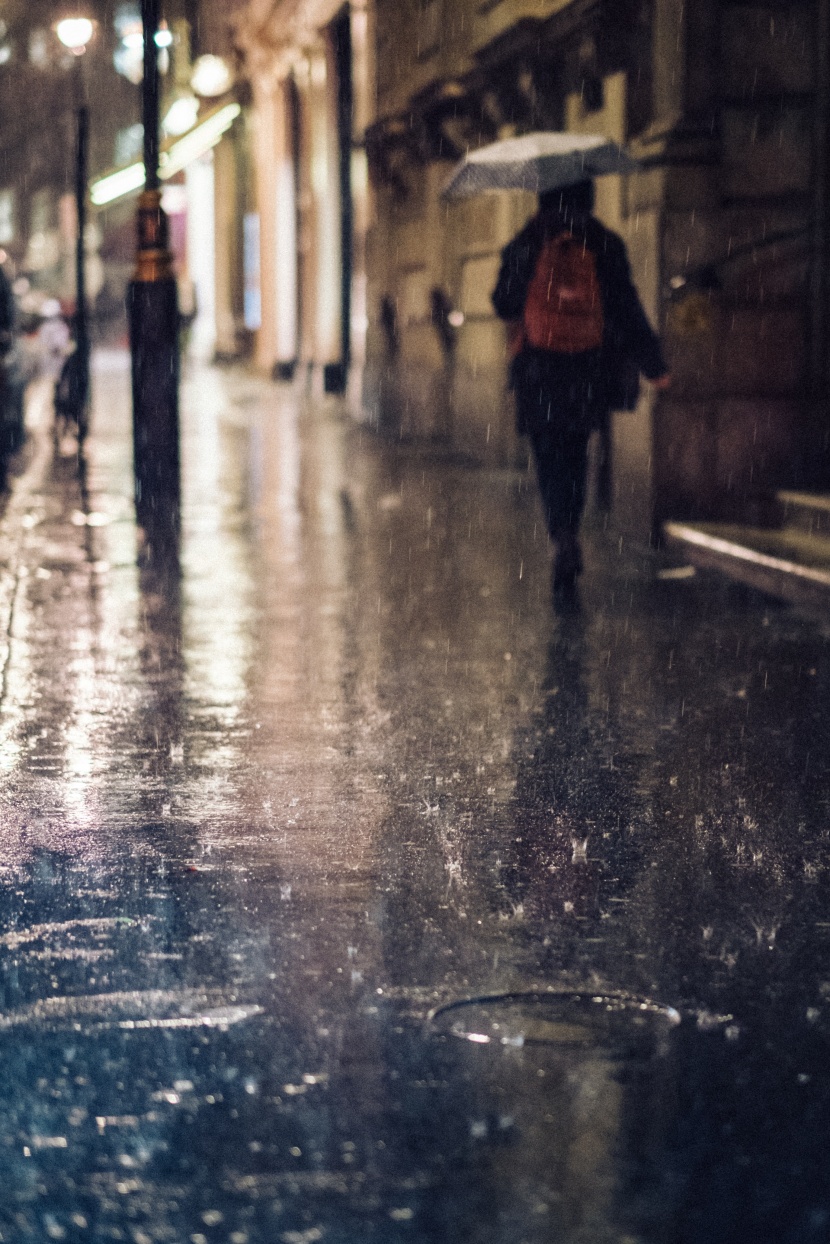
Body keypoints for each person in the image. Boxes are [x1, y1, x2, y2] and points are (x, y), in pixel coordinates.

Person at [492, 179, 669, 591]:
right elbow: (626, 307)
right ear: (588, 198)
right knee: (575, 452)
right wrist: (654, 364)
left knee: (547, 453)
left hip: (538, 368)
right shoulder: (604, 242)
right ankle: (571, 527)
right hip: (587, 368)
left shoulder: (528, 240)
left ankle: (561, 535)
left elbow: (503, 302)